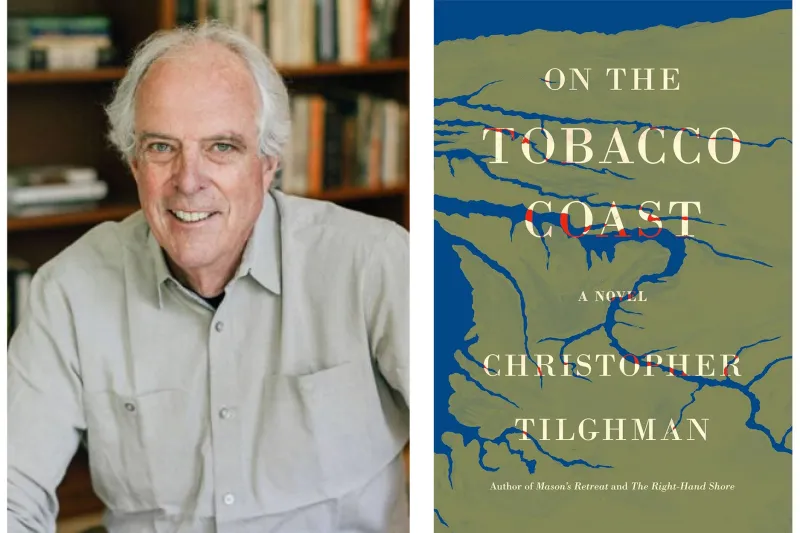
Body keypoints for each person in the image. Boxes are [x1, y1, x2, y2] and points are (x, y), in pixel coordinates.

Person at [7, 23, 409, 533]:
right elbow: (11, 491)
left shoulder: (371, 263)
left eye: (221, 147)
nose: (189, 180)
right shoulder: (69, 290)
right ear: (134, 163)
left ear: (267, 166)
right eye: (161, 148)